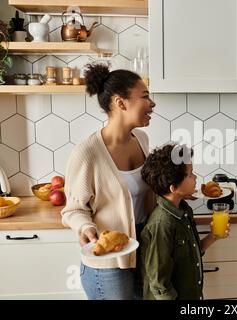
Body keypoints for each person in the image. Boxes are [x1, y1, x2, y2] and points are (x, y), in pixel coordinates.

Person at [61, 63, 156, 300]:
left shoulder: (142, 139)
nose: (152, 103)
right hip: (108, 264)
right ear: (120, 103)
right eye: (144, 97)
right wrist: (86, 227)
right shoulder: (88, 153)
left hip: (142, 252)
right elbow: (73, 210)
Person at [140, 144, 229, 300]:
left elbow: (190, 254)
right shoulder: (161, 225)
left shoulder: (184, 210)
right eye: (190, 174)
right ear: (174, 187)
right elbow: (160, 286)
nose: (195, 178)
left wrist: (213, 236)